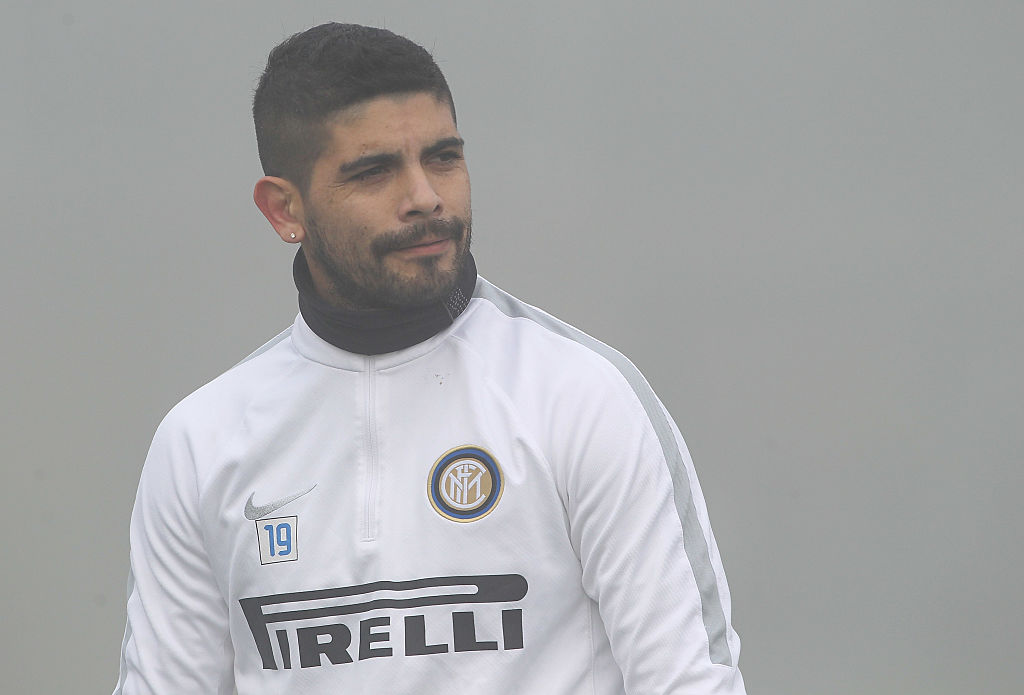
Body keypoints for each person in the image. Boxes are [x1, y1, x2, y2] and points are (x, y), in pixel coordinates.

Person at [113, 22, 747, 695]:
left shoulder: (582, 396)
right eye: (374, 171)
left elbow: (690, 682)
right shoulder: (201, 441)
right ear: (283, 209)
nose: (425, 197)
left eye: (443, 158)